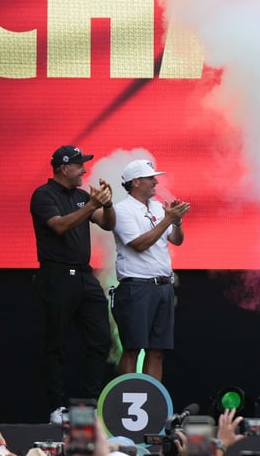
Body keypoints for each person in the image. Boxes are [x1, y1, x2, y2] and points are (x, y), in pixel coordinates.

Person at [30, 145, 115, 424]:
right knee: (56, 343)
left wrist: (108, 204)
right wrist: (92, 205)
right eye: (80, 165)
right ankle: (57, 407)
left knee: (101, 339)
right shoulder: (43, 196)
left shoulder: (81, 196)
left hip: (84, 276)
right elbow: (58, 226)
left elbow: (106, 224)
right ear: (64, 168)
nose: (85, 170)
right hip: (56, 275)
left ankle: (89, 404)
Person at [112, 158, 190, 381]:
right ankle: (123, 404)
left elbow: (177, 240)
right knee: (133, 348)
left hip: (163, 286)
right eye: (150, 178)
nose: (155, 182)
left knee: (157, 351)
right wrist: (167, 220)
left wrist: (177, 222)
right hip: (137, 287)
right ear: (136, 182)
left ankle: (151, 407)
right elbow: (139, 244)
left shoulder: (158, 207)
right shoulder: (122, 210)